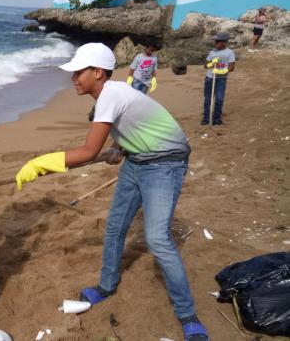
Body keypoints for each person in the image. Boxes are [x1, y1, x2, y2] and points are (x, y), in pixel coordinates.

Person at [15, 43, 209, 341]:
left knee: (157, 239)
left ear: (97, 72)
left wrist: (42, 163)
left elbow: (89, 151)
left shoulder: (111, 94)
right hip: (137, 160)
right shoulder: (109, 95)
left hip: (165, 163)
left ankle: (187, 315)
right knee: (116, 226)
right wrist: (119, 148)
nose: (74, 78)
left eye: (79, 72)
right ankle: (107, 286)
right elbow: (129, 124)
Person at [202, 32, 235, 125]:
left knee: (219, 99)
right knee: (208, 99)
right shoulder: (212, 52)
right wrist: (212, 63)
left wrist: (222, 71)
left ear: (224, 42)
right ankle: (206, 119)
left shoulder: (229, 53)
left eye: (217, 41)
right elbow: (206, 65)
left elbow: (232, 67)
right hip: (210, 78)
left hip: (221, 79)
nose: (215, 43)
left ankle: (216, 119)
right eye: (215, 41)